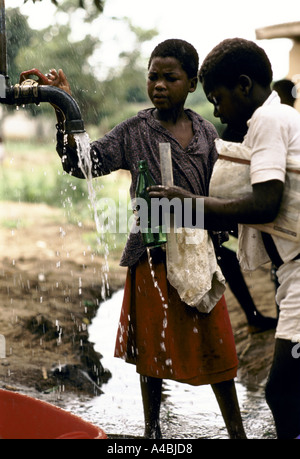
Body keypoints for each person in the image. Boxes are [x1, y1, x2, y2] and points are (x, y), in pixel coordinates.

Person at [47, 39, 246, 439]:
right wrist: (63, 109)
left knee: (218, 347)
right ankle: (152, 430)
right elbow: (82, 164)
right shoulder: (135, 131)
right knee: (153, 354)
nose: (159, 85)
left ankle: (237, 432)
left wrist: (212, 219)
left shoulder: (206, 133)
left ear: (191, 84)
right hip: (151, 257)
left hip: (198, 256)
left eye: (170, 77)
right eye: (153, 76)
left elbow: (216, 194)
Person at [149, 38, 300, 439]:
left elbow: (266, 203)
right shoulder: (277, 119)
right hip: (291, 274)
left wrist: (193, 203)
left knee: (283, 393)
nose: (215, 110)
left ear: (244, 86)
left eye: (218, 98)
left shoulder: (268, 122)